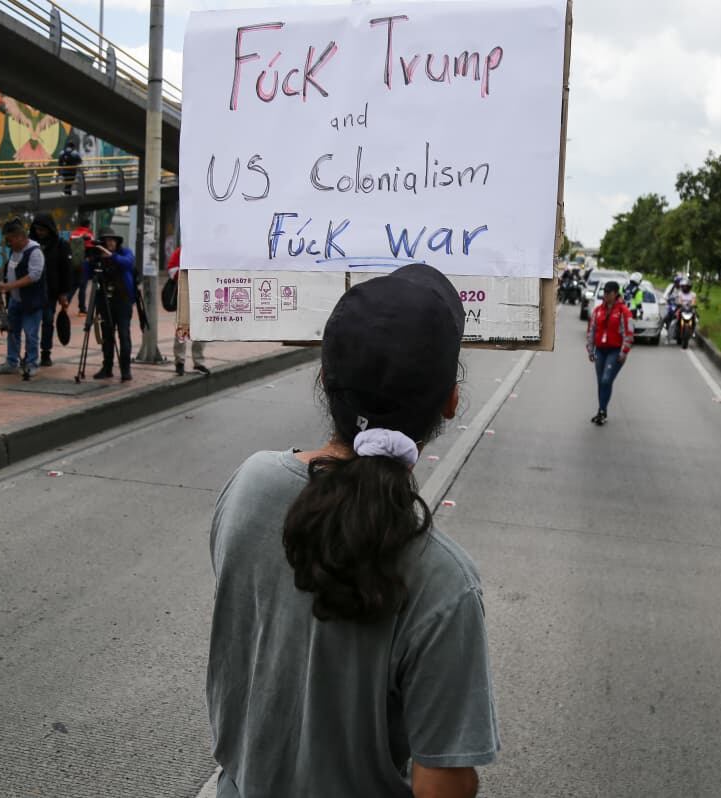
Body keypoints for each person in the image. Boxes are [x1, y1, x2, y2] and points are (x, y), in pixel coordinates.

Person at [207, 263, 499, 798]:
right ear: (451, 401)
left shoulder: (250, 485)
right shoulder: (442, 581)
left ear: (323, 379)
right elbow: (442, 785)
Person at [0, 218, 46, 376]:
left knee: (31, 334)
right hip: (15, 300)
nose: (8, 244)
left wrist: (10, 286)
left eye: (10, 240)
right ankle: (11, 362)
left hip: (31, 302)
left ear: (20, 237)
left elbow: (34, 276)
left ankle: (31, 363)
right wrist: (5, 284)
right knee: (12, 332)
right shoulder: (14, 251)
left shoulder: (35, 252)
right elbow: (11, 270)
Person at [86, 227, 135, 382]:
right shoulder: (98, 257)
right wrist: (90, 258)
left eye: (113, 240)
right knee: (107, 336)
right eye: (107, 241)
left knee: (124, 335)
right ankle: (107, 368)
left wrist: (111, 256)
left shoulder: (124, 253)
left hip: (123, 301)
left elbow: (128, 263)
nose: (110, 243)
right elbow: (87, 274)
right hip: (104, 300)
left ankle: (125, 369)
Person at [585, 280, 633, 426]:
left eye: (608, 293)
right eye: (604, 292)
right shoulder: (598, 310)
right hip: (600, 350)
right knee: (601, 382)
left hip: (615, 351)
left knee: (606, 380)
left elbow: (629, 333)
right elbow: (591, 330)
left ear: (615, 293)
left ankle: (602, 410)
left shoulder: (624, 311)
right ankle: (602, 411)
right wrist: (590, 349)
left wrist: (624, 351)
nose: (605, 295)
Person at [29, 214, 71, 368]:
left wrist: (63, 293)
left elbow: (66, 270)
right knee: (31, 324)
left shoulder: (61, 245)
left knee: (47, 321)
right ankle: (30, 353)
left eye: (42, 229)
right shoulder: (30, 244)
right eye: (37, 229)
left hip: (50, 292)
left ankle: (46, 352)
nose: (39, 232)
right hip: (32, 291)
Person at [167, 246, 208, 376]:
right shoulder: (182, 250)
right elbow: (172, 270)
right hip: (186, 293)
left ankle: (199, 362)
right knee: (183, 329)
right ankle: (180, 362)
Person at [667, 278, 698, 342]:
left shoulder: (693, 294)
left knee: (696, 318)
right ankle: (671, 333)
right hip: (681, 308)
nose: (685, 288)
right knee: (674, 318)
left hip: (690, 309)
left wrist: (692, 305)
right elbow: (679, 300)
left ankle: (693, 331)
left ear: (689, 287)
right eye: (683, 286)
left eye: (686, 287)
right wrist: (680, 304)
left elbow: (693, 301)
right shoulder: (680, 293)